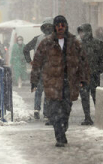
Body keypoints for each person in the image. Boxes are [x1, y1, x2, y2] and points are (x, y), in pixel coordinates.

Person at [30, 15, 90, 147]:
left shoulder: (74, 42)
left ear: (66, 26)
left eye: (63, 25)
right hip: (52, 83)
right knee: (54, 111)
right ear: (54, 27)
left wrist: (84, 79)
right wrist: (34, 80)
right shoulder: (46, 43)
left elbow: (83, 62)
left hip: (69, 83)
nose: (60, 28)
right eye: (58, 26)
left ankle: (62, 129)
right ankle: (60, 136)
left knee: (66, 110)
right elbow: (37, 62)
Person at [23, 18, 54, 121]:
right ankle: (46, 113)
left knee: (39, 90)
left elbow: (26, 49)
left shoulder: (37, 38)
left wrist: (30, 61)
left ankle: (37, 109)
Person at [77, 24, 103, 125]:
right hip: (82, 76)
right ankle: (87, 117)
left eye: (82, 32)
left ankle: (99, 116)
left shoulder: (98, 44)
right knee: (84, 97)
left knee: (95, 96)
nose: (81, 34)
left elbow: (102, 59)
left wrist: (99, 70)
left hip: (93, 74)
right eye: (80, 32)